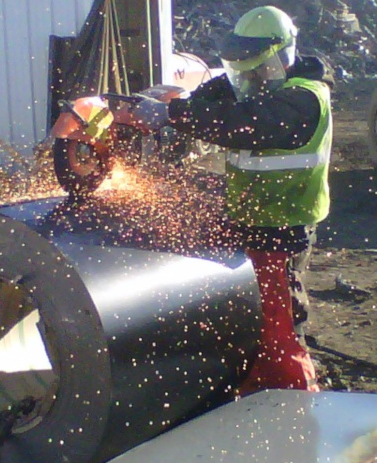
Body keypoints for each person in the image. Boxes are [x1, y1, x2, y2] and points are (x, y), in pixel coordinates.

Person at [132, 5, 334, 393]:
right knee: (248, 318)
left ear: (280, 57)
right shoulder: (255, 83)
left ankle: (295, 397)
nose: (249, 76)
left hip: (283, 225)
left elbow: (244, 124)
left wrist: (173, 114)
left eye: (257, 68)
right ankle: (256, 383)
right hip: (250, 219)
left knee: (281, 326)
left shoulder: (303, 99)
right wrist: (171, 104)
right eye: (242, 68)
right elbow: (213, 96)